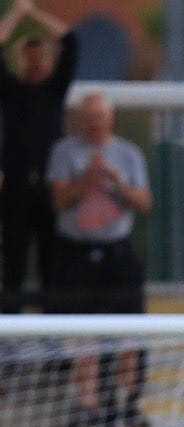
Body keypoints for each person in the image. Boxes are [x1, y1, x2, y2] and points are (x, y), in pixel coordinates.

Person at [47, 91, 152, 426]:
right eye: (88, 117)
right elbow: (60, 199)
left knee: (130, 328)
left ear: (110, 118)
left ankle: (129, 401)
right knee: (82, 330)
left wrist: (118, 184)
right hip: (76, 252)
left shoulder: (128, 154)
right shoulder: (65, 152)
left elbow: (144, 202)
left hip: (116, 250)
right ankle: (87, 402)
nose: (94, 123)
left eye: (99, 117)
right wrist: (88, 177)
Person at [0, 0, 74, 310]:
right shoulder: (10, 92)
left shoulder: (54, 91)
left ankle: (51, 332)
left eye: (39, 57)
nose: (34, 64)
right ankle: (10, 329)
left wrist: (34, 13)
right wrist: (17, 13)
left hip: (50, 188)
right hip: (16, 187)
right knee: (13, 264)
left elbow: (70, 40)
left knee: (51, 264)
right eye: (28, 58)